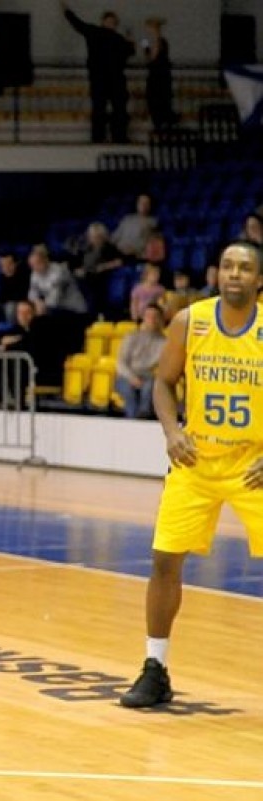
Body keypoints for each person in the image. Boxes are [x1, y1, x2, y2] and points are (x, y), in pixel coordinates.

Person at [120, 240, 263, 708]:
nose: (235, 274)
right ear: (217, 273)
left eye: (245, 268)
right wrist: (171, 430)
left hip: (254, 466)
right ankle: (154, 668)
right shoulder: (190, 320)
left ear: (260, 280)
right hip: (196, 461)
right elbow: (163, 383)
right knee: (164, 561)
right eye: (228, 266)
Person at [60, 2, 135, 144]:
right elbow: (78, 24)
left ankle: (115, 136)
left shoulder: (116, 38)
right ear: (103, 21)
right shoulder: (96, 32)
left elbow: (130, 52)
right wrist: (67, 11)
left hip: (111, 79)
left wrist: (130, 42)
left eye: (113, 22)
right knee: (102, 108)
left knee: (116, 108)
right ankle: (103, 137)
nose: (111, 24)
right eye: (109, 21)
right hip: (103, 78)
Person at [113, 302, 166, 419]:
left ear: (160, 319)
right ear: (143, 318)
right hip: (127, 375)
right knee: (128, 391)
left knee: (150, 388)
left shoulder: (164, 343)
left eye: (155, 316)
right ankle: (132, 419)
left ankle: (143, 416)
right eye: (148, 316)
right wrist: (132, 378)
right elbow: (121, 363)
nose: (151, 319)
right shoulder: (131, 337)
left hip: (148, 376)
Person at [143, 17, 176, 130]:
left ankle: (161, 122)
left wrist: (149, 44)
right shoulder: (152, 41)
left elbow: (152, 56)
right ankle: (160, 121)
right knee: (157, 100)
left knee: (158, 100)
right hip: (158, 75)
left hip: (159, 76)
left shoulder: (158, 41)